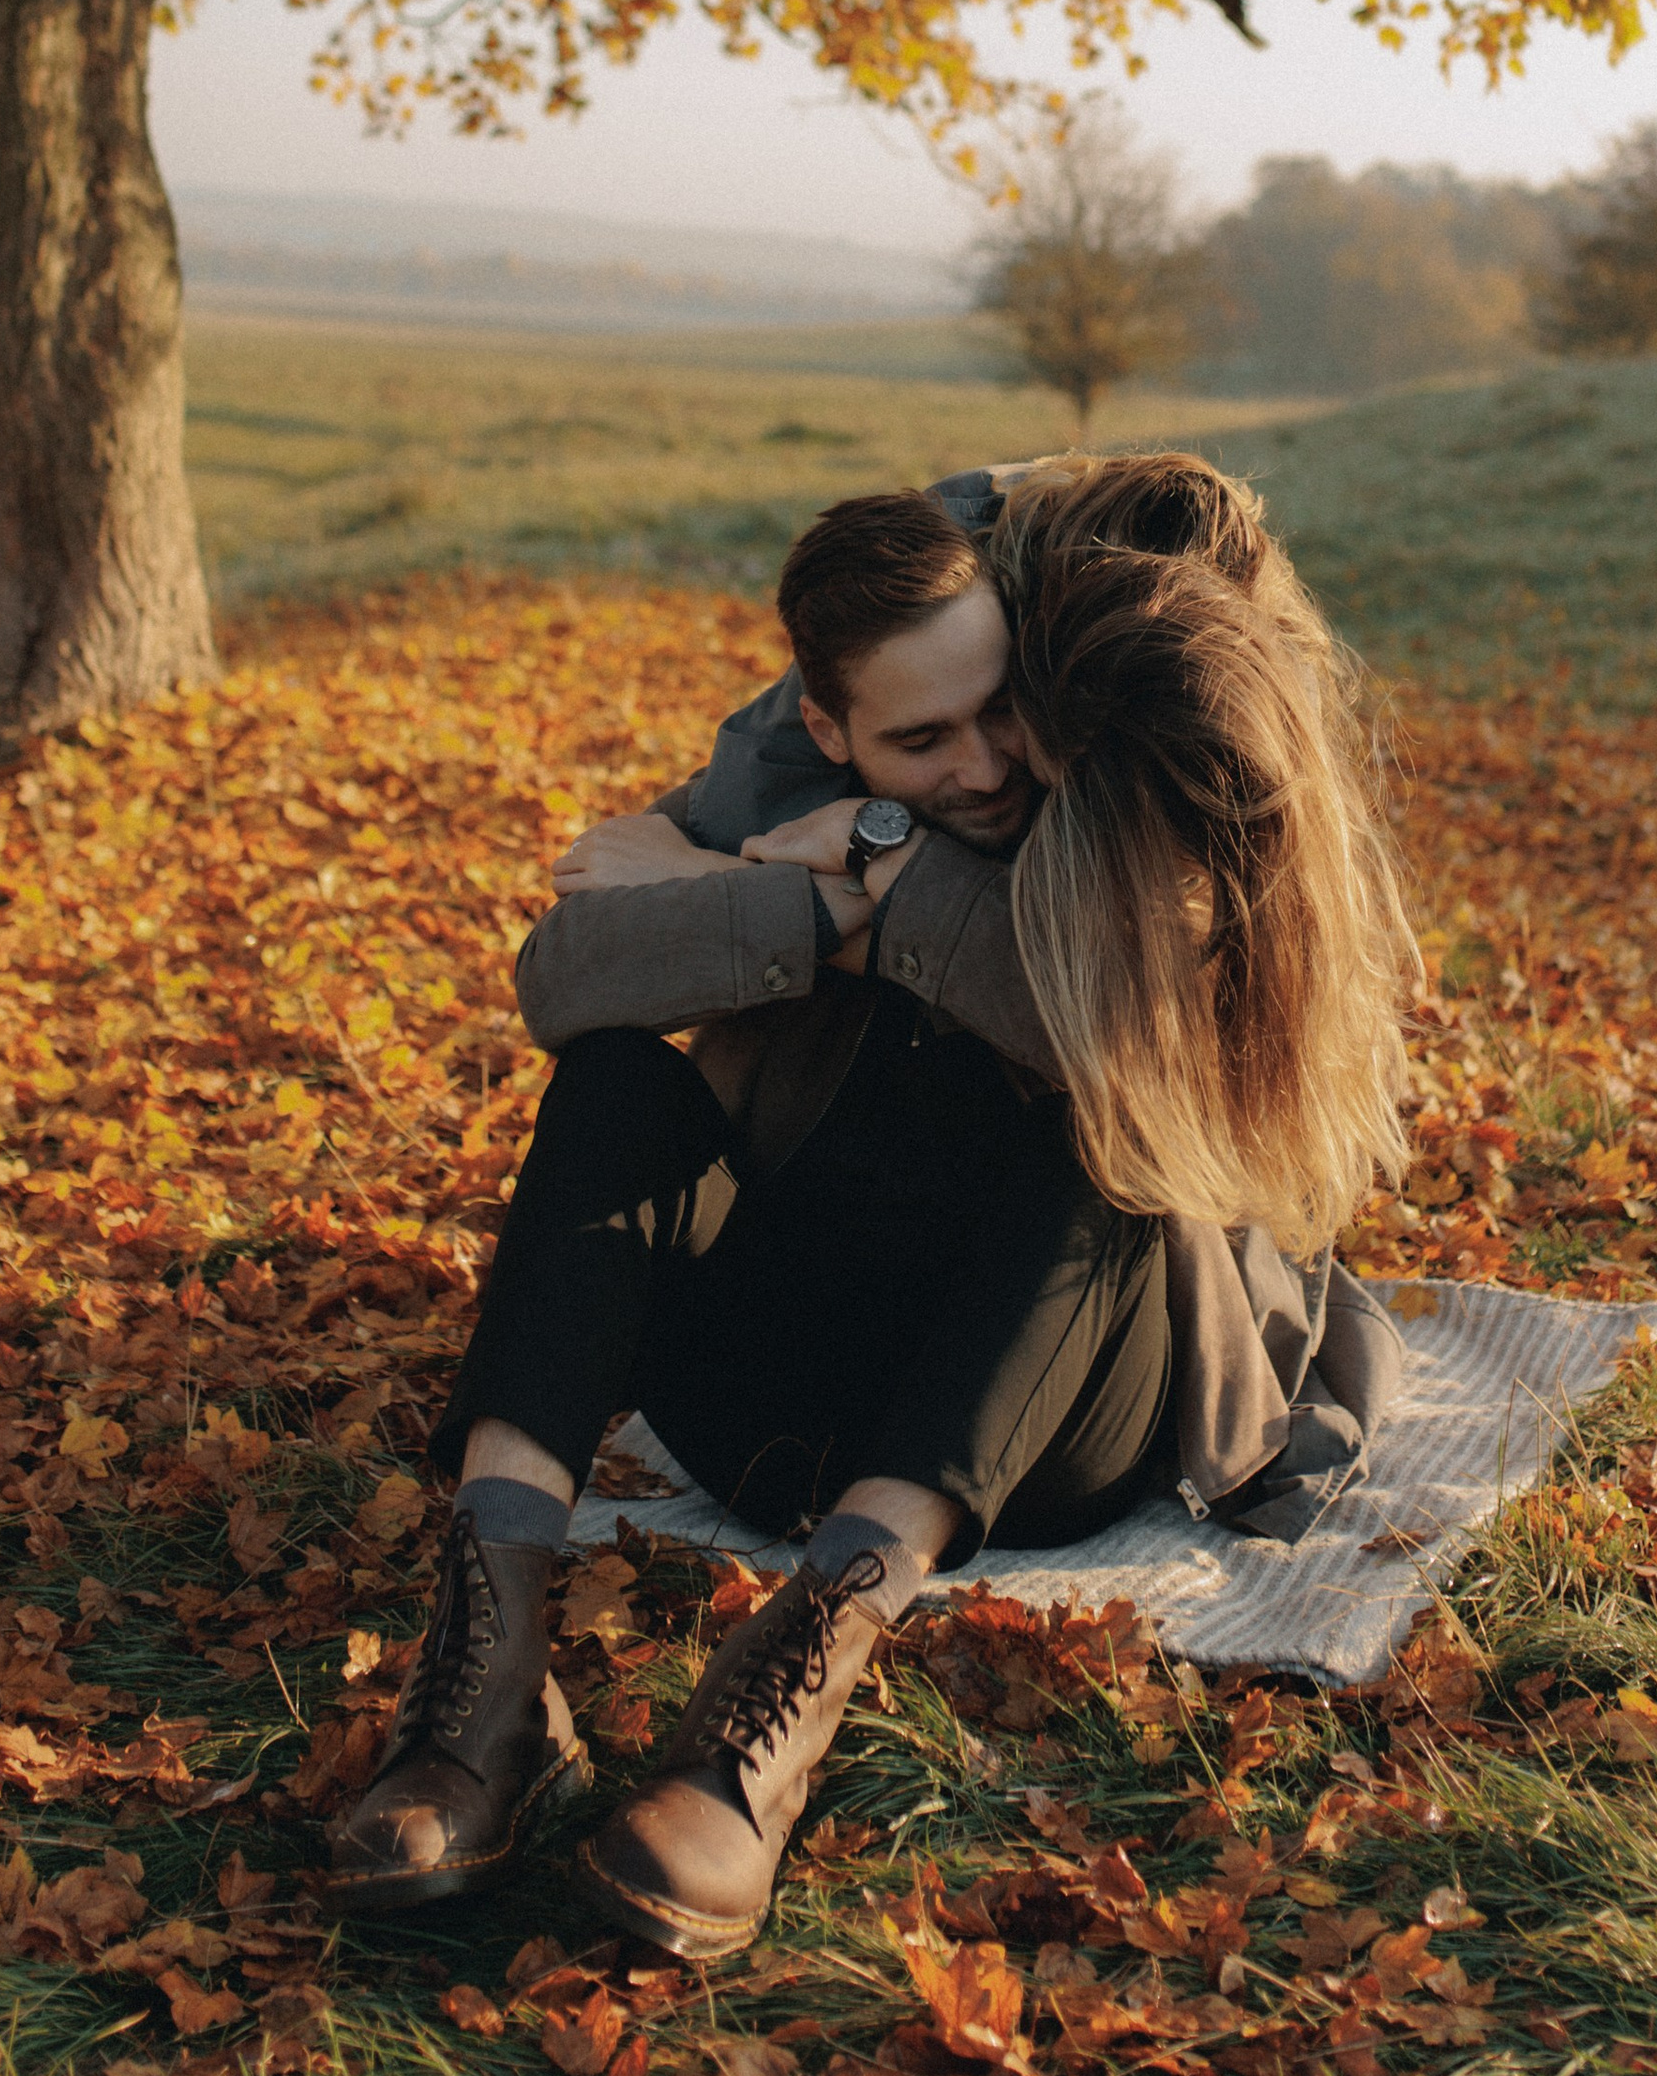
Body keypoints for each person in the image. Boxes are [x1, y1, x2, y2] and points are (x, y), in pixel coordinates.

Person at [320, 456, 1416, 1959]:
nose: (979, 766)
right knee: (618, 1087)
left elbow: (1125, 1051)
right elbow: (562, 974)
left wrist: (883, 866)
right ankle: (490, 1660)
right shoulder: (799, 790)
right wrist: (802, 912)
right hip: (778, 1396)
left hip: (1037, 1424)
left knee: (1103, 1136)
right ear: (832, 729)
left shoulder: (1143, 780)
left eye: (997, 715)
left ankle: (778, 1707)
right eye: (918, 743)